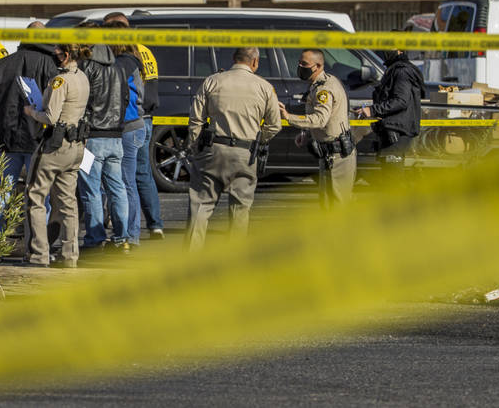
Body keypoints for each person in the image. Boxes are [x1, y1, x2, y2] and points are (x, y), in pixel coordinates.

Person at [184, 47, 281, 249]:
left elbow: (196, 119)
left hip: (214, 149)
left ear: (233, 59)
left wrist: (195, 146)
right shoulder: (264, 87)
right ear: (254, 62)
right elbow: (274, 125)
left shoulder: (212, 81)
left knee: (201, 205)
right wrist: (258, 140)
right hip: (245, 153)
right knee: (240, 208)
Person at [0, 21, 60, 229]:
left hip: (9, 138)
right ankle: (38, 246)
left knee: (0, 196)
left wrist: (5, 106)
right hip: (38, 140)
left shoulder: (5, 63)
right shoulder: (49, 65)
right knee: (39, 198)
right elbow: (56, 103)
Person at [22, 43, 91, 267]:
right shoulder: (82, 77)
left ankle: (38, 254)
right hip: (76, 146)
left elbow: (50, 117)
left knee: (35, 197)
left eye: (57, 53)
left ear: (66, 54)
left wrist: (31, 111)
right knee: (68, 202)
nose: (54, 55)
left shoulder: (60, 81)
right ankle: (70, 255)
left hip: (55, 146)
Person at [103, 12, 166, 240]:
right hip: (145, 118)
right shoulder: (143, 51)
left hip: (130, 120)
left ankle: (129, 233)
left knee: (125, 179)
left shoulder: (121, 57)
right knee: (143, 174)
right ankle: (155, 224)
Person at [281, 49, 357, 207]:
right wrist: (306, 133)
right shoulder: (318, 84)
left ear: (318, 66)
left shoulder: (324, 89)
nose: (300, 66)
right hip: (329, 153)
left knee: (338, 205)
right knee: (328, 203)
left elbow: (320, 119)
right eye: (299, 62)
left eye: (304, 64)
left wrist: (289, 117)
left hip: (337, 154)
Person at [78, 28, 130, 252]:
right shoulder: (118, 68)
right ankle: (122, 238)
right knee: (117, 189)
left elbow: (82, 101)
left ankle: (94, 239)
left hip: (92, 139)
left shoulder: (86, 68)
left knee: (91, 191)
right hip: (115, 137)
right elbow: (125, 98)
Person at [355, 48, 425, 170]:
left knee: (393, 177)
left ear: (400, 50)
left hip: (397, 132)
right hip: (391, 131)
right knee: (388, 175)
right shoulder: (394, 69)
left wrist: (372, 110)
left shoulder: (402, 71)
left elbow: (401, 101)